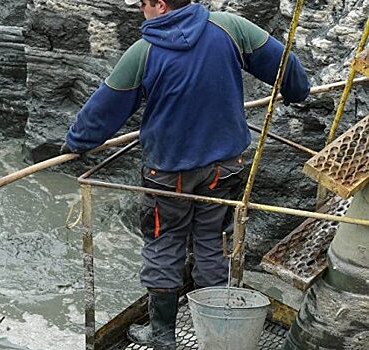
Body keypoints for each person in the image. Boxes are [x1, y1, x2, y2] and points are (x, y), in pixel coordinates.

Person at [60, 0, 310, 348]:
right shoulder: (230, 28)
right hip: (225, 169)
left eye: (143, 4)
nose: (139, 11)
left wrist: (75, 144)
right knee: (213, 243)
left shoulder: (143, 52)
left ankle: (163, 335)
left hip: (168, 172)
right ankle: (216, 332)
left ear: (160, 6)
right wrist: (297, 92)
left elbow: (102, 112)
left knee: (164, 244)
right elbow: (285, 65)